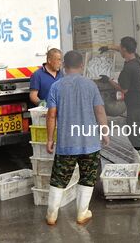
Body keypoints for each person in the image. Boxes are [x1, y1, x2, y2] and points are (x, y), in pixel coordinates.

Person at [45, 50, 109, 226]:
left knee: (59, 179)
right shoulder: (90, 85)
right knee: (87, 178)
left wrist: (50, 139)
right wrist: (104, 132)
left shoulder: (56, 86)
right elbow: (100, 111)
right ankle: (82, 213)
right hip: (90, 144)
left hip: (66, 144)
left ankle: (51, 215)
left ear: (64, 66)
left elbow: (51, 116)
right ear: (82, 66)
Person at [100, 37, 140, 183]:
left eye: (120, 48)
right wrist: (109, 47)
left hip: (134, 106)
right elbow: (121, 47)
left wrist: (108, 80)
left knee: (134, 136)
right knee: (135, 134)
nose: (119, 49)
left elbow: (122, 89)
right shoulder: (137, 60)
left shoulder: (128, 69)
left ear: (124, 49)